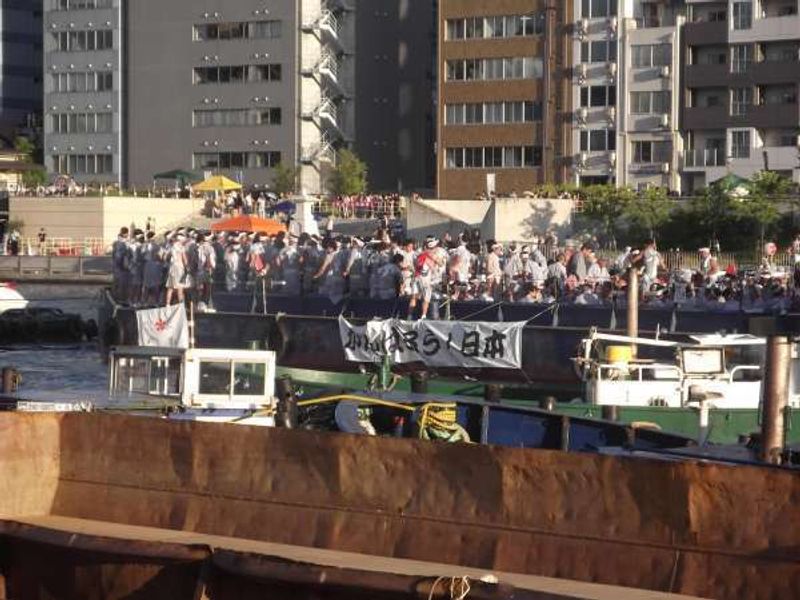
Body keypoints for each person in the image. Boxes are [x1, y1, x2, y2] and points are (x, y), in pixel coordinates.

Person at [165, 233, 188, 305]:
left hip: (172, 268)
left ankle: (167, 304)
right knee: (180, 288)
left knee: (170, 288)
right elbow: (185, 259)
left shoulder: (171, 247)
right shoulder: (181, 247)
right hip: (180, 268)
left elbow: (166, 257)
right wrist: (187, 268)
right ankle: (181, 305)